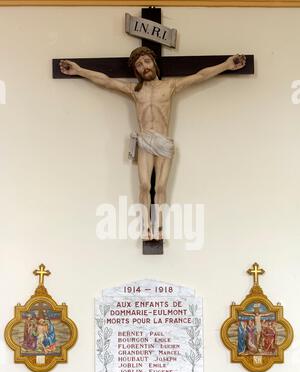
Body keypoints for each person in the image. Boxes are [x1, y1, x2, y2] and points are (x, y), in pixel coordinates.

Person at [60, 48, 246, 240]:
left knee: (161, 187)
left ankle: (160, 227)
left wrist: (227, 65)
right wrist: (79, 71)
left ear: (154, 63)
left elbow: (200, 76)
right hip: (145, 141)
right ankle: (145, 227)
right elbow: (106, 81)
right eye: (139, 65)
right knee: (144, 184)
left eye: (147, 61)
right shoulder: (135, 90)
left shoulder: (170, 86)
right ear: (136, 71)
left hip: (164, 142)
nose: (144, 67)